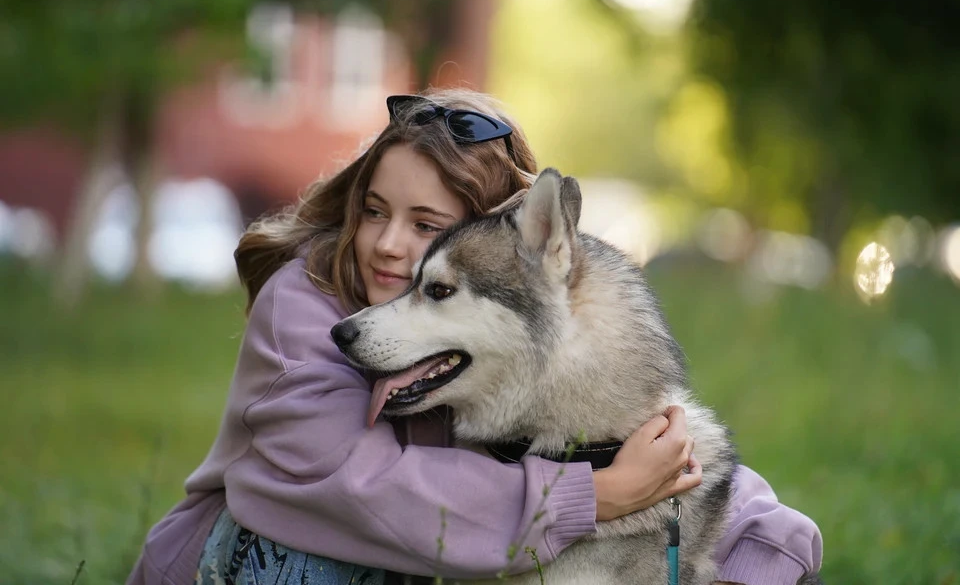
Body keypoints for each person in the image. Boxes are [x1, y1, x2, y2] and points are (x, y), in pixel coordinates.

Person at [126, 88, 822, 585]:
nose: (389, 245)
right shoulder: (306, 307)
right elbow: (362, 490)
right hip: (260, 562)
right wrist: (598, 497)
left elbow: (705, 476)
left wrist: (759, 559)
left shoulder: (500, 365)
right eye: (374, 210)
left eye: (427, 227)